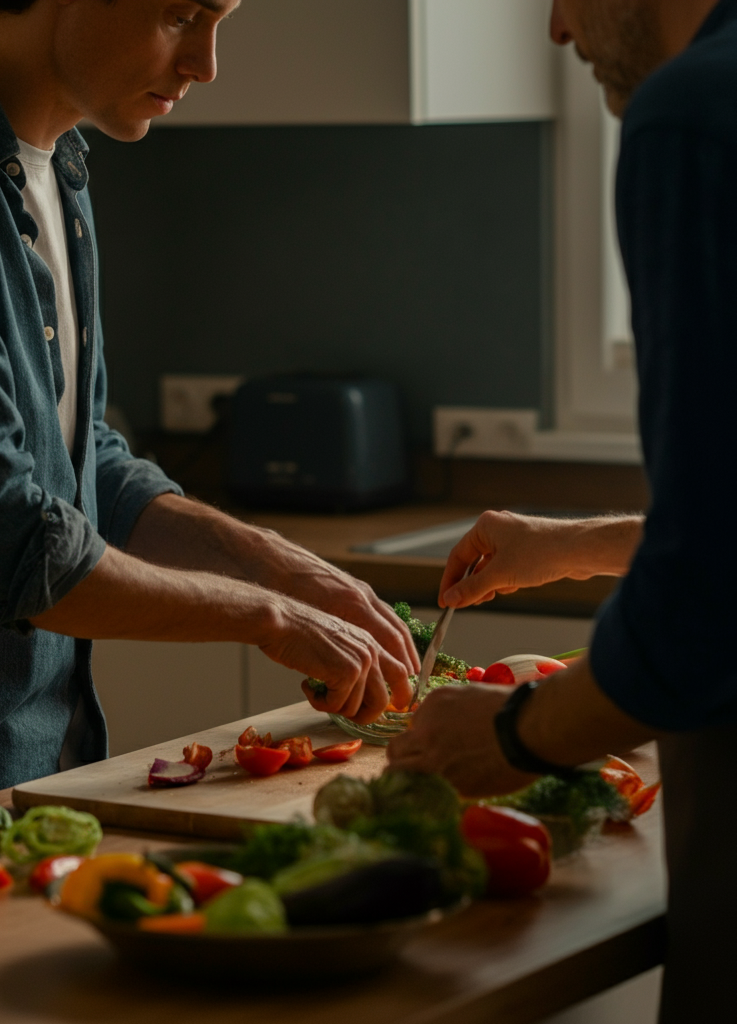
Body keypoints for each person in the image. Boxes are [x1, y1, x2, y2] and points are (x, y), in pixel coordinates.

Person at [0, 0, 419, 794]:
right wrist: (269, 618)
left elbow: (84, 467)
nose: (206, 64)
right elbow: (6, 547)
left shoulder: (59, 165)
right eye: (182, 14)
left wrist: (288, 573)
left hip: (33, 780)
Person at [387, 1, 736, 1018]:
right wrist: (582, 543)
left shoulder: (694, 115)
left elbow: (702, 613)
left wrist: (507, 736)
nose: (554, 27)